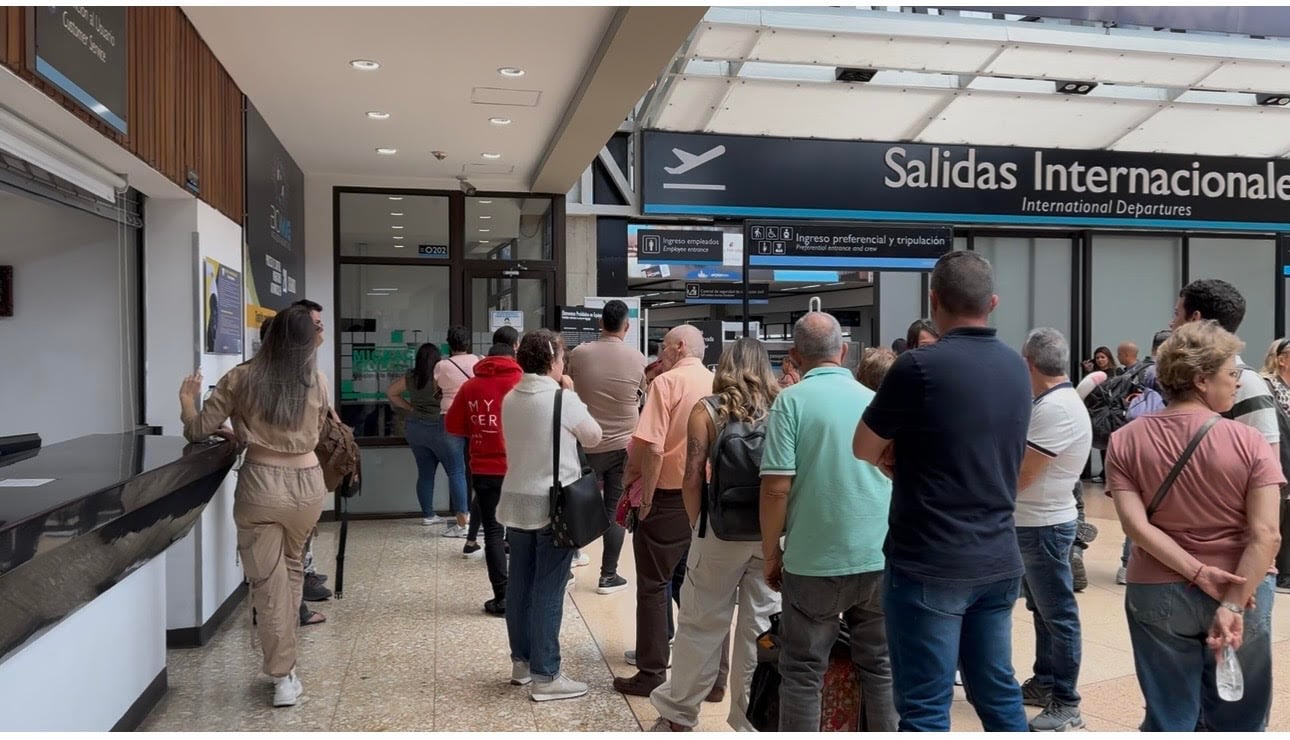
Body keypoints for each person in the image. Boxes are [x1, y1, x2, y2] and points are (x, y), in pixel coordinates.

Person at [853, 251, 1031, 732]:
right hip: (998, 559)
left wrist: (901, 462)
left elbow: (863, 446)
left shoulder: (918, 368)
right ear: (992, 302)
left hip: (930, 560)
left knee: (926, 707)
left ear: (934, 301)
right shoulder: (1018, 368)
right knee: (998, 693)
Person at [1105, 320, 1282, 732]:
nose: (1237, 384)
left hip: (1157, 587)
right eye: (1231, 374)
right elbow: (1268, 534)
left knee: (1169, 715)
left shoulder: (1125, 440)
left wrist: (1198, 573)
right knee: (1239, 715)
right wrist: (1232, 601)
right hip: (1245, 586)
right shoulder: (1249, 441)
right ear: (1202, 379)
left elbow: (1135, 526)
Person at [178, 304, 331, 707]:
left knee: (266, 580)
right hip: (309, 485)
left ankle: (282, 674)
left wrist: (187, 400)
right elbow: (315, 431)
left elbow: (198, 430)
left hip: (262, 485)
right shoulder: (317, 381)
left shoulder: (240, 378)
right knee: (293, 566)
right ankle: (287, 664)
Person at [763, 313, 898, 732]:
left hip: (812, 560)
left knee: (802, 671)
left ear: (794, 356)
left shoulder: (790, 401)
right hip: (877, 553)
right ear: (843, 352)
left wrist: (772, 554)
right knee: (881, 667)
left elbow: (775, 489)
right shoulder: (874, 400)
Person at [649, 338, 781, 732]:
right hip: (769, 535)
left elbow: (692, 477)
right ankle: (750, 719)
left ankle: (679, 715)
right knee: (759, 628)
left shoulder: (708, 410)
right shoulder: (783, 408)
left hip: (718, 533)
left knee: (700, 625)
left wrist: (697, 525)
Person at [498, 330, 602, 701]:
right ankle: (547, 675)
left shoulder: (511, 397)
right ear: (552, 362)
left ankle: (521, 663)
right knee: (549, 588)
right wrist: (570, 393)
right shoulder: (562, 399)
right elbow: (593, 436)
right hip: (553, 507)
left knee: (521, 585)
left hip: (516, 502)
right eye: (562, 358)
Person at [614, 325, 715, 698]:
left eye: (664, 346)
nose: (662, 352)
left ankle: (651, 671)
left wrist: (646, 497)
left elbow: (653, 447)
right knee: (695, 585)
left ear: (679, 346)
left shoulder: (667, 383)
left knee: (653, 585)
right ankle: (709, 673)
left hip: (669, 496)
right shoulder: (715, 382)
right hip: (706, 497)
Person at [1014, 328, 1092, 731]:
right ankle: (1045, 682)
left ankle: (1067, 702)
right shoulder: (1054, 402)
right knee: (1043, 610)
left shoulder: (1055, 409)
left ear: (1029, 362)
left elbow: (1021, 476)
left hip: (1042, 523)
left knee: (1057, 613)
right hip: (1038, 521)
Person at [565, 300, 646, 595]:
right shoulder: (637, 358)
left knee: (572, 504)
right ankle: (608, 576)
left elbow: (567, 386)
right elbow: (640, 394)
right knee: (614, 510)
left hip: (583, 443)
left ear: (600, 323)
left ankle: (568, 567)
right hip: (622, 446)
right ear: (626, 326)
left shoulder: (579, 353)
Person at [445, 337, 523, 616]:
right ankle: (521, 596)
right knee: (521, 532)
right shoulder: (523, 384)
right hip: (518, 470)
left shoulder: (471, 386)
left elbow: (453, 425)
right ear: (514, 353)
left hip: (483, 469)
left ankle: (502, 597)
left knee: (492, 532)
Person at [387, 343, 469, 533]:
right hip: (441, 427)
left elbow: (391, 392)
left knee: (425, 473)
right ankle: (463, 517)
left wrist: (410, 408)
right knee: (456, 472)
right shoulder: (441, 375)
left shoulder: (411, 377)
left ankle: (428, 515)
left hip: (416, 429)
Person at [463, 325, 521, 558]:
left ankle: (500, 591)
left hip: (483, 457)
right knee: (515, 523)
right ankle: (515, 576)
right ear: (514, 346)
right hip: (512, 458)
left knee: (487, 511)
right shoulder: (520, 379)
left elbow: (459, 423)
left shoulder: (476, 379)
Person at [433, 325, 480, 536]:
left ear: (449, 343)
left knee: (456, 470)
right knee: (480, 467)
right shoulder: (479, 361)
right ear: (468, 343)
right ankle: (485, 517)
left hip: (450, 417)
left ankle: (462, 521)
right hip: (475, 415)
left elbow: (437, 388)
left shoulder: (442, 365)